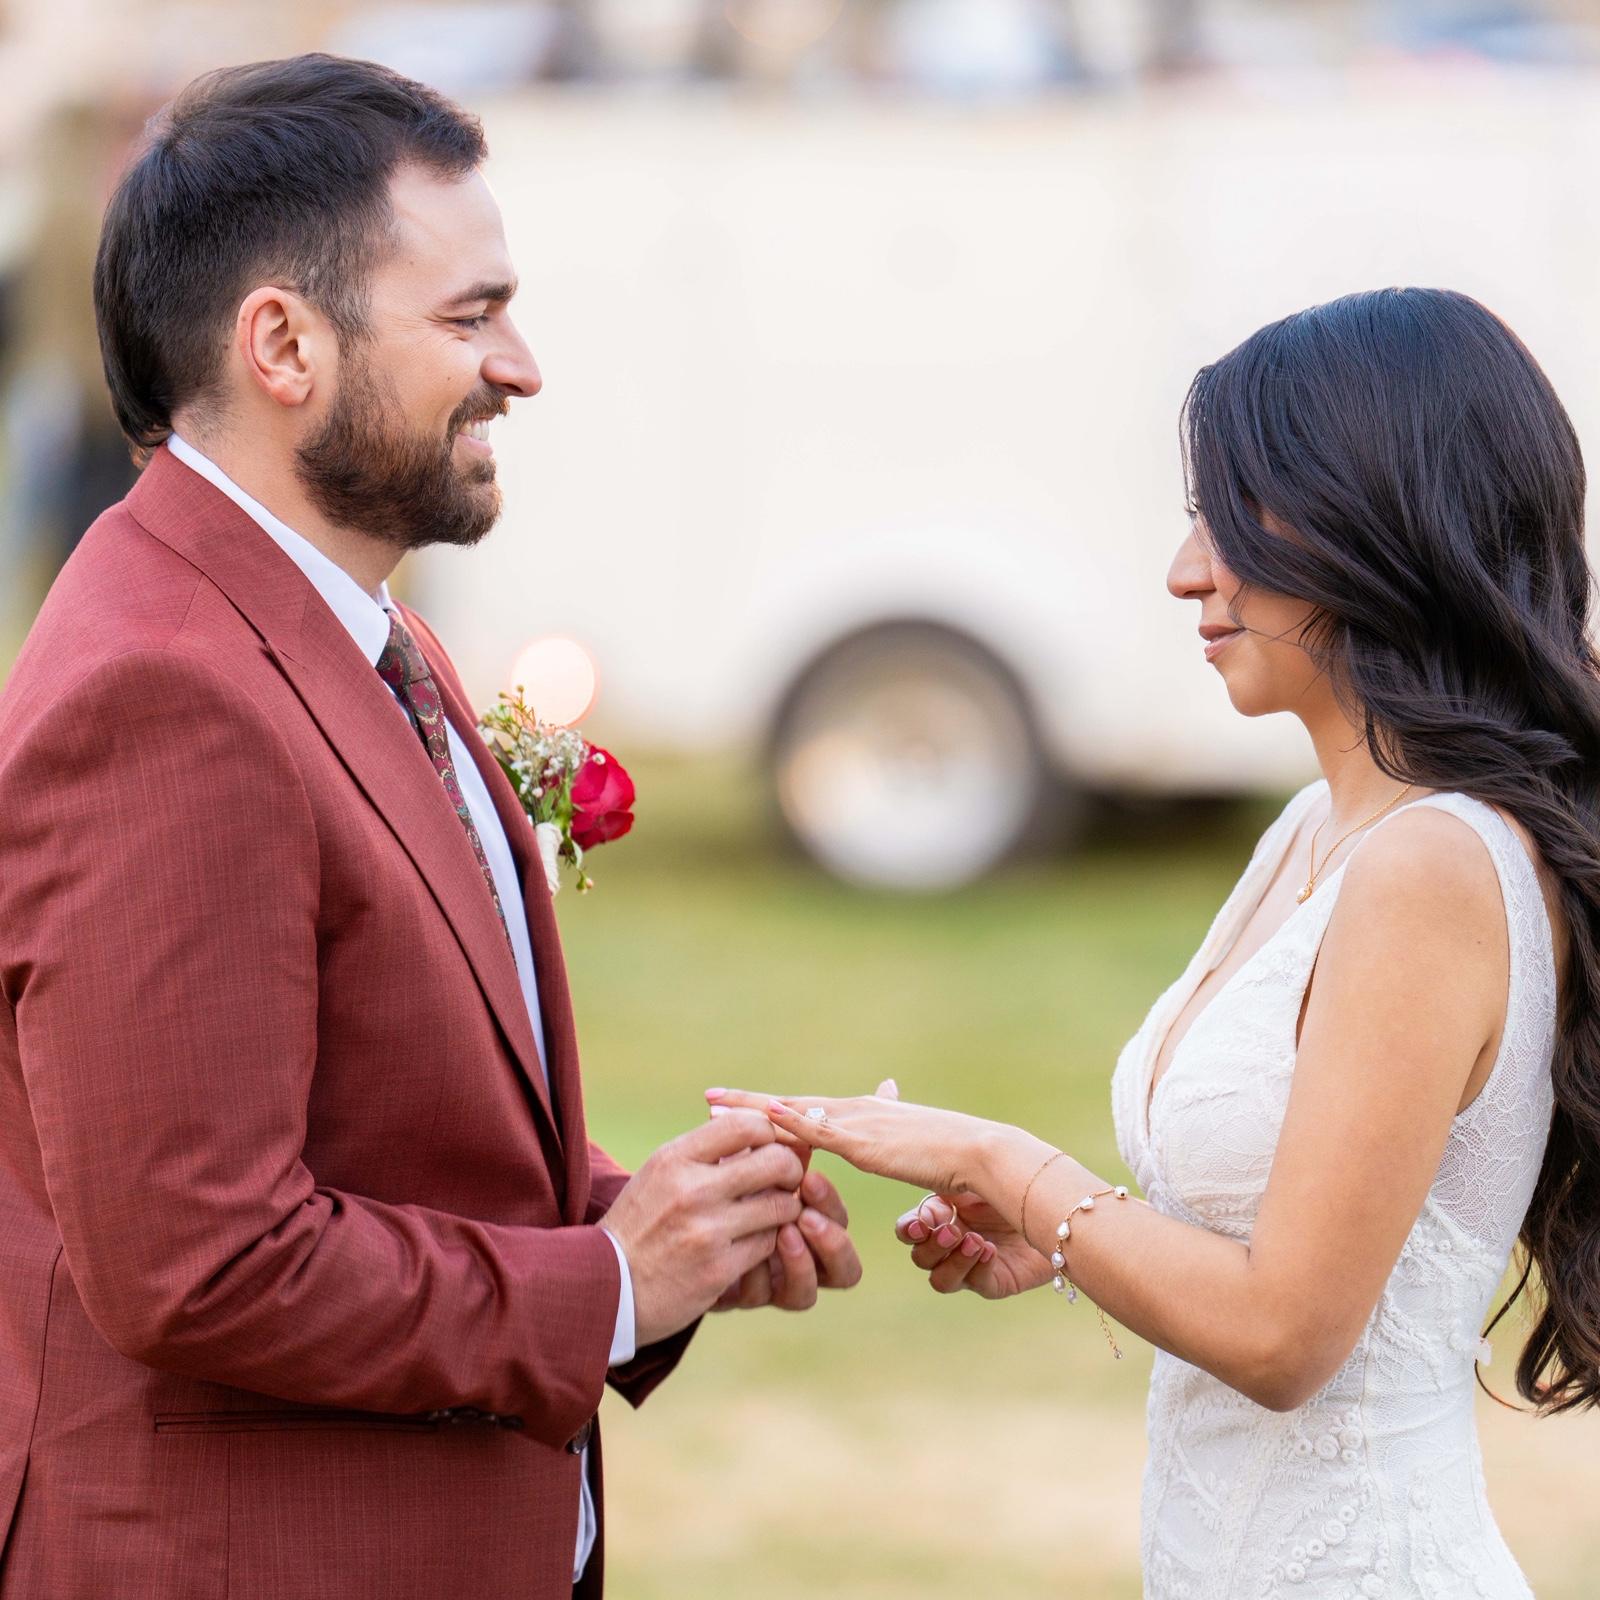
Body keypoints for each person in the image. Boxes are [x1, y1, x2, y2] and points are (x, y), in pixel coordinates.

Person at [0, 54, 860, 1600]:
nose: (520, 368)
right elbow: (199, 1261)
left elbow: (384, 1121)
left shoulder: (357, 628)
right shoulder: (162, 691)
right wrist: (607, 1285)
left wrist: (672, 1228)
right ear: (284, 344)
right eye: (469, 318)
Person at [713, 288, 1600, 1598]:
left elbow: (1287, 1335)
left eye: (1232, 518)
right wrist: (1070, 1244)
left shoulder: (1432, 868)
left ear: (1377, 518)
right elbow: (1290, 1231)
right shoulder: (1313, 832)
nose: (1189, 569)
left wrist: (1002, 1163)